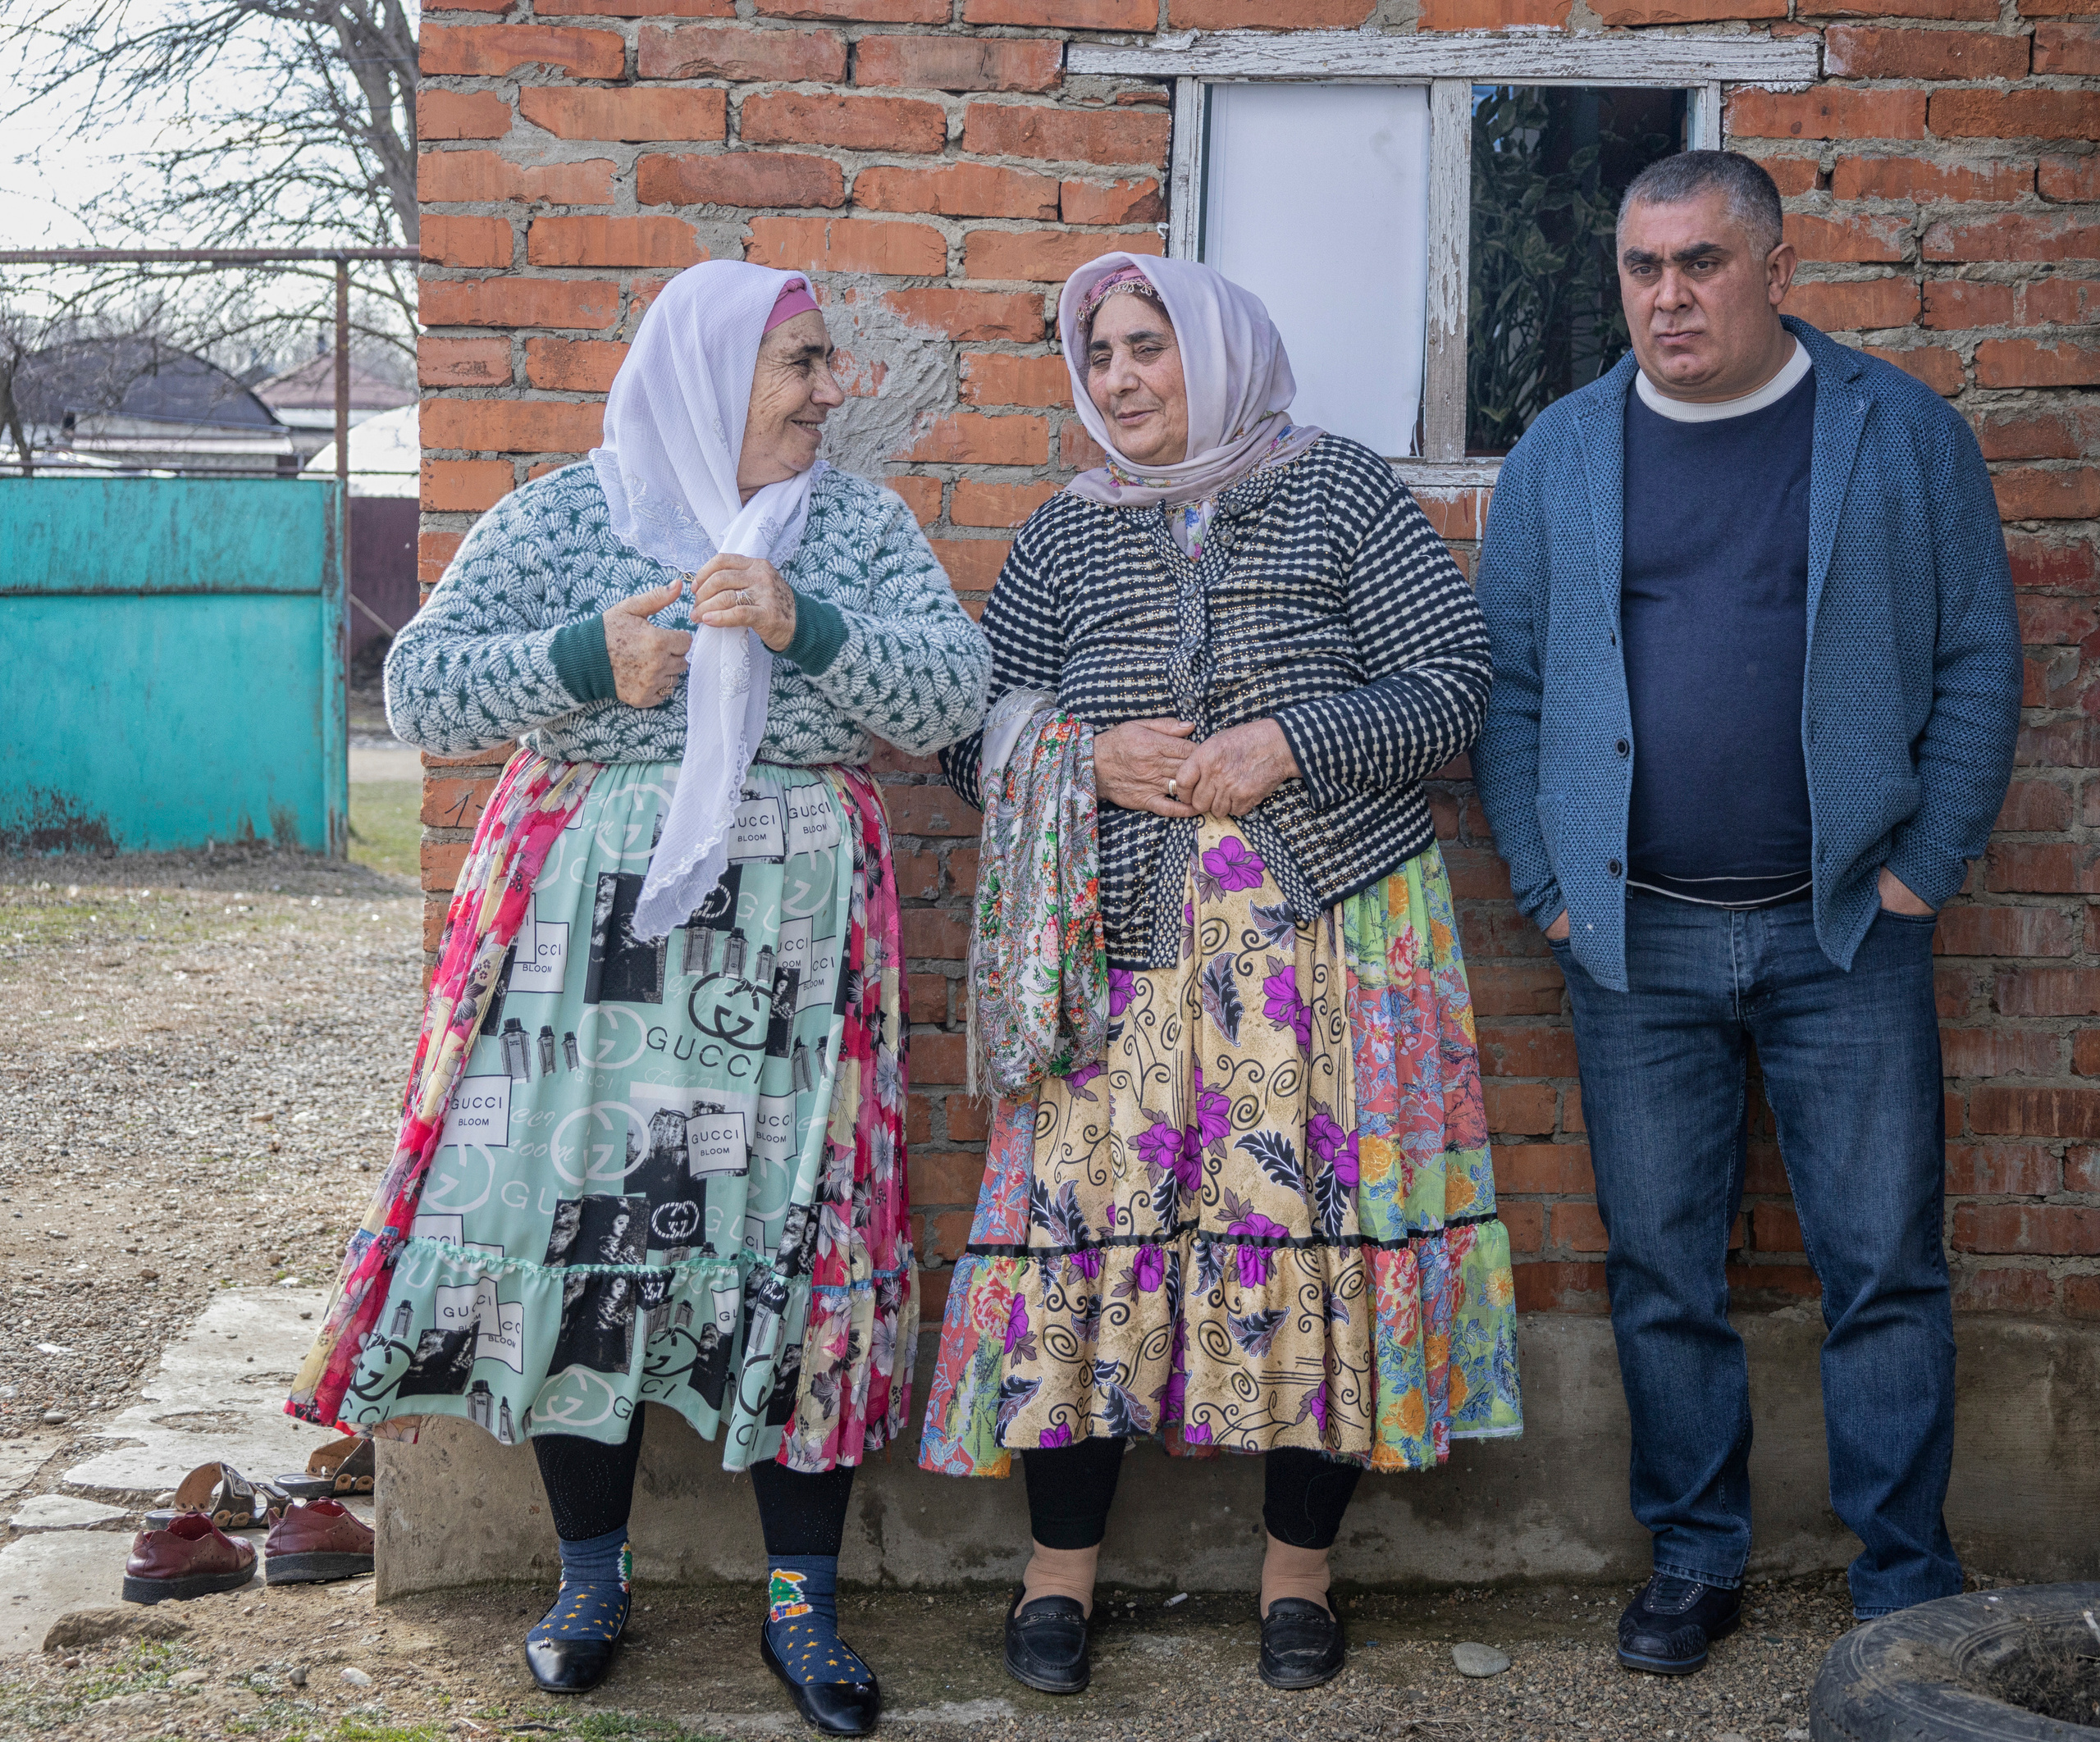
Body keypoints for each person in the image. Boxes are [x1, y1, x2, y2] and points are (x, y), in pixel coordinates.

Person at [286, 260, 992, 1730]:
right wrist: (583, 655)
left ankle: (801, 1608)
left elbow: (951, 702)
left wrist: (811, 625)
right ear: (714, 377)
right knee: (580, 1233)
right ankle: (589, 1579)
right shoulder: (562, 516)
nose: (829, 389)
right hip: (583, 954)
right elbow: (419, 693)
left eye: (828, 361)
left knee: (800, 1253)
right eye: (802, 362)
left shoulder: (851, 527)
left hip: (798, 960)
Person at [919, 253, 1523, 1695]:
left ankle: (1298, 1580)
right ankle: (1056, 1582)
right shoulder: (1067, 534)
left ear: (1217, 350)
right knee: (1078, 1230)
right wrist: (1078, 753)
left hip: (1325, 941)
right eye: (1100, 355)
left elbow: (1455, 684)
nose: (1121, 379)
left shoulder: (1343, 491)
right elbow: (965, 727)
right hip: (1119, 952)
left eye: (1148, 346)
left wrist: (1294, 742)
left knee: (1314, 1220)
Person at [1471, 152, 2020, 1674]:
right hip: (1633, 936)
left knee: (1884, 1262)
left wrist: (1922, 872)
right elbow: (1511, 694)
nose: (1668, 296)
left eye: (1700, 263)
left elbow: (1980, 659)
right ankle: (1696, 1557)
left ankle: (1907, 1574)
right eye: (1643, 269)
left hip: (1843, 927)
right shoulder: (1565, 452)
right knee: (1660, 1269)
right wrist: (1550, 891)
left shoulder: (1896, 433)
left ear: (1776, 264)